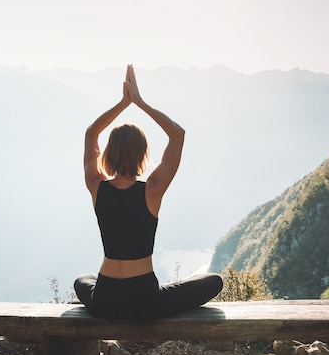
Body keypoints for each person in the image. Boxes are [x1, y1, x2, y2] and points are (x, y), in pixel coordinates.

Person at [74, 64, 223, 320]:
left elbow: (91, 133)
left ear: (108, 154)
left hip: (105, 299)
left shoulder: (96, 185)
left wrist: (123, 103)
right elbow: (177, 134)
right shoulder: (152, 190)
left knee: (82, 280)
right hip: (144, 301)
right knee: (213, 281)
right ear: (143, 154)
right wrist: (139, 102)